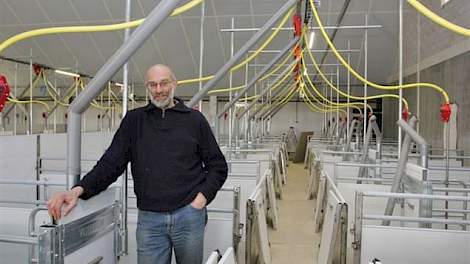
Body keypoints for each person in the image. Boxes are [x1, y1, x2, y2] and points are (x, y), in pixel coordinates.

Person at [47, 64, 228, 264]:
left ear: (174, 84)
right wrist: (77, 190)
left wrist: (200, 200)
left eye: (164, 83)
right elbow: (110, 164)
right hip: (150, 220)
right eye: (153, 85)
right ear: (147, 87)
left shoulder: (195, 120)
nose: (159, 90)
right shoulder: (134, 121)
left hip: (188, 215)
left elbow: (218, 166)